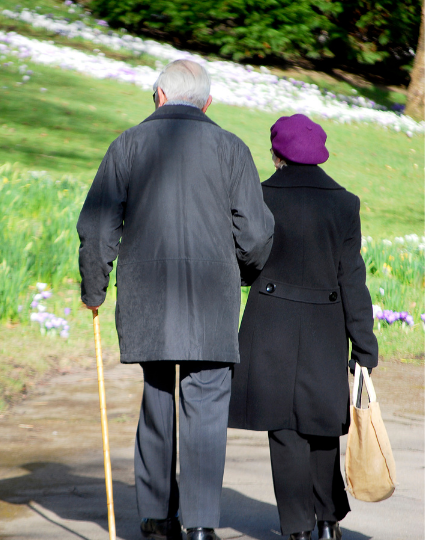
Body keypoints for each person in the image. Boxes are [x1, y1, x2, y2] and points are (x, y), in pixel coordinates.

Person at [77, 59, 274, 540]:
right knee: (206, 406)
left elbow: (98, 227)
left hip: (148, 298)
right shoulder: (231, 147)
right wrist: (243, 275)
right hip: (212, 299)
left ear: (159, 96)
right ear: (207, 103)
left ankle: (156, 516)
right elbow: (257, 232)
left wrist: (94, 289)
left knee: (158, 397)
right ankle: (201, 523)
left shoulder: (127, 144)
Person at [228, 114, 378, 540]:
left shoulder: (259, 197)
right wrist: (364, 346)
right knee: (322, 424)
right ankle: (328, 522)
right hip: (325, 328)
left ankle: (296, 528)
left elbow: (243, 262)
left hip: (269, 322)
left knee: (285, 429)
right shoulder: (344, 203)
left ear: (277, 154)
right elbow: (352, 278)